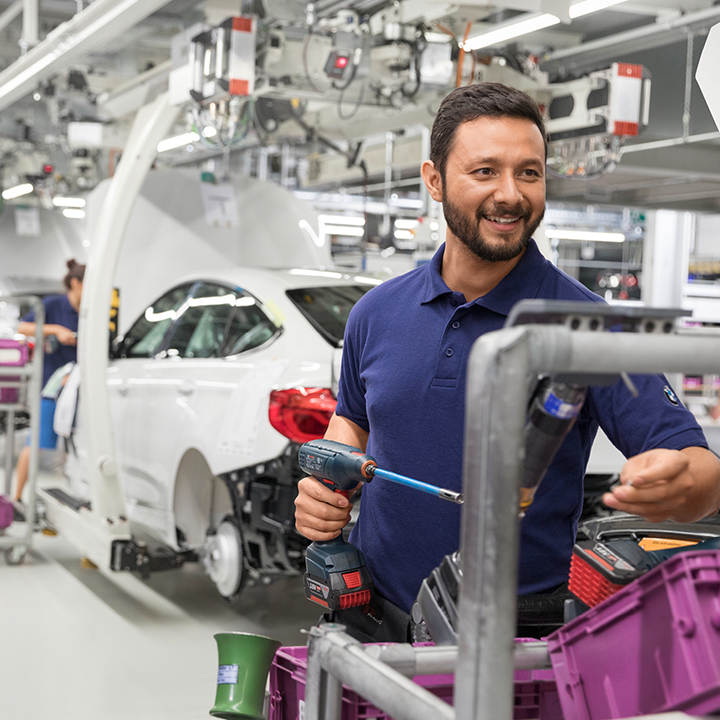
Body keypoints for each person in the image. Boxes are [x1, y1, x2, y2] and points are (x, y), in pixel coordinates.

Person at [294, 82, 720, 641]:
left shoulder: (587, 326)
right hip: (372, 620)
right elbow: (353, 419)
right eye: (485, 171)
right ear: (434, 180)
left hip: (511, 643)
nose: (511, 194)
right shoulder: (375, 313)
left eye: (529, 172)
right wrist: (325, 491)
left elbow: (697, 467)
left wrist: (684, 484)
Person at [12, 259, 85, 504]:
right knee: (36, 444)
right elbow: (23, 327)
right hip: (52, 388)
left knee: (74, 447)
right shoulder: (53, 305)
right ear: (75, 283)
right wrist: (55, 330)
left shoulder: (86, 311)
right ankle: (17, 498)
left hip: (76, 390)